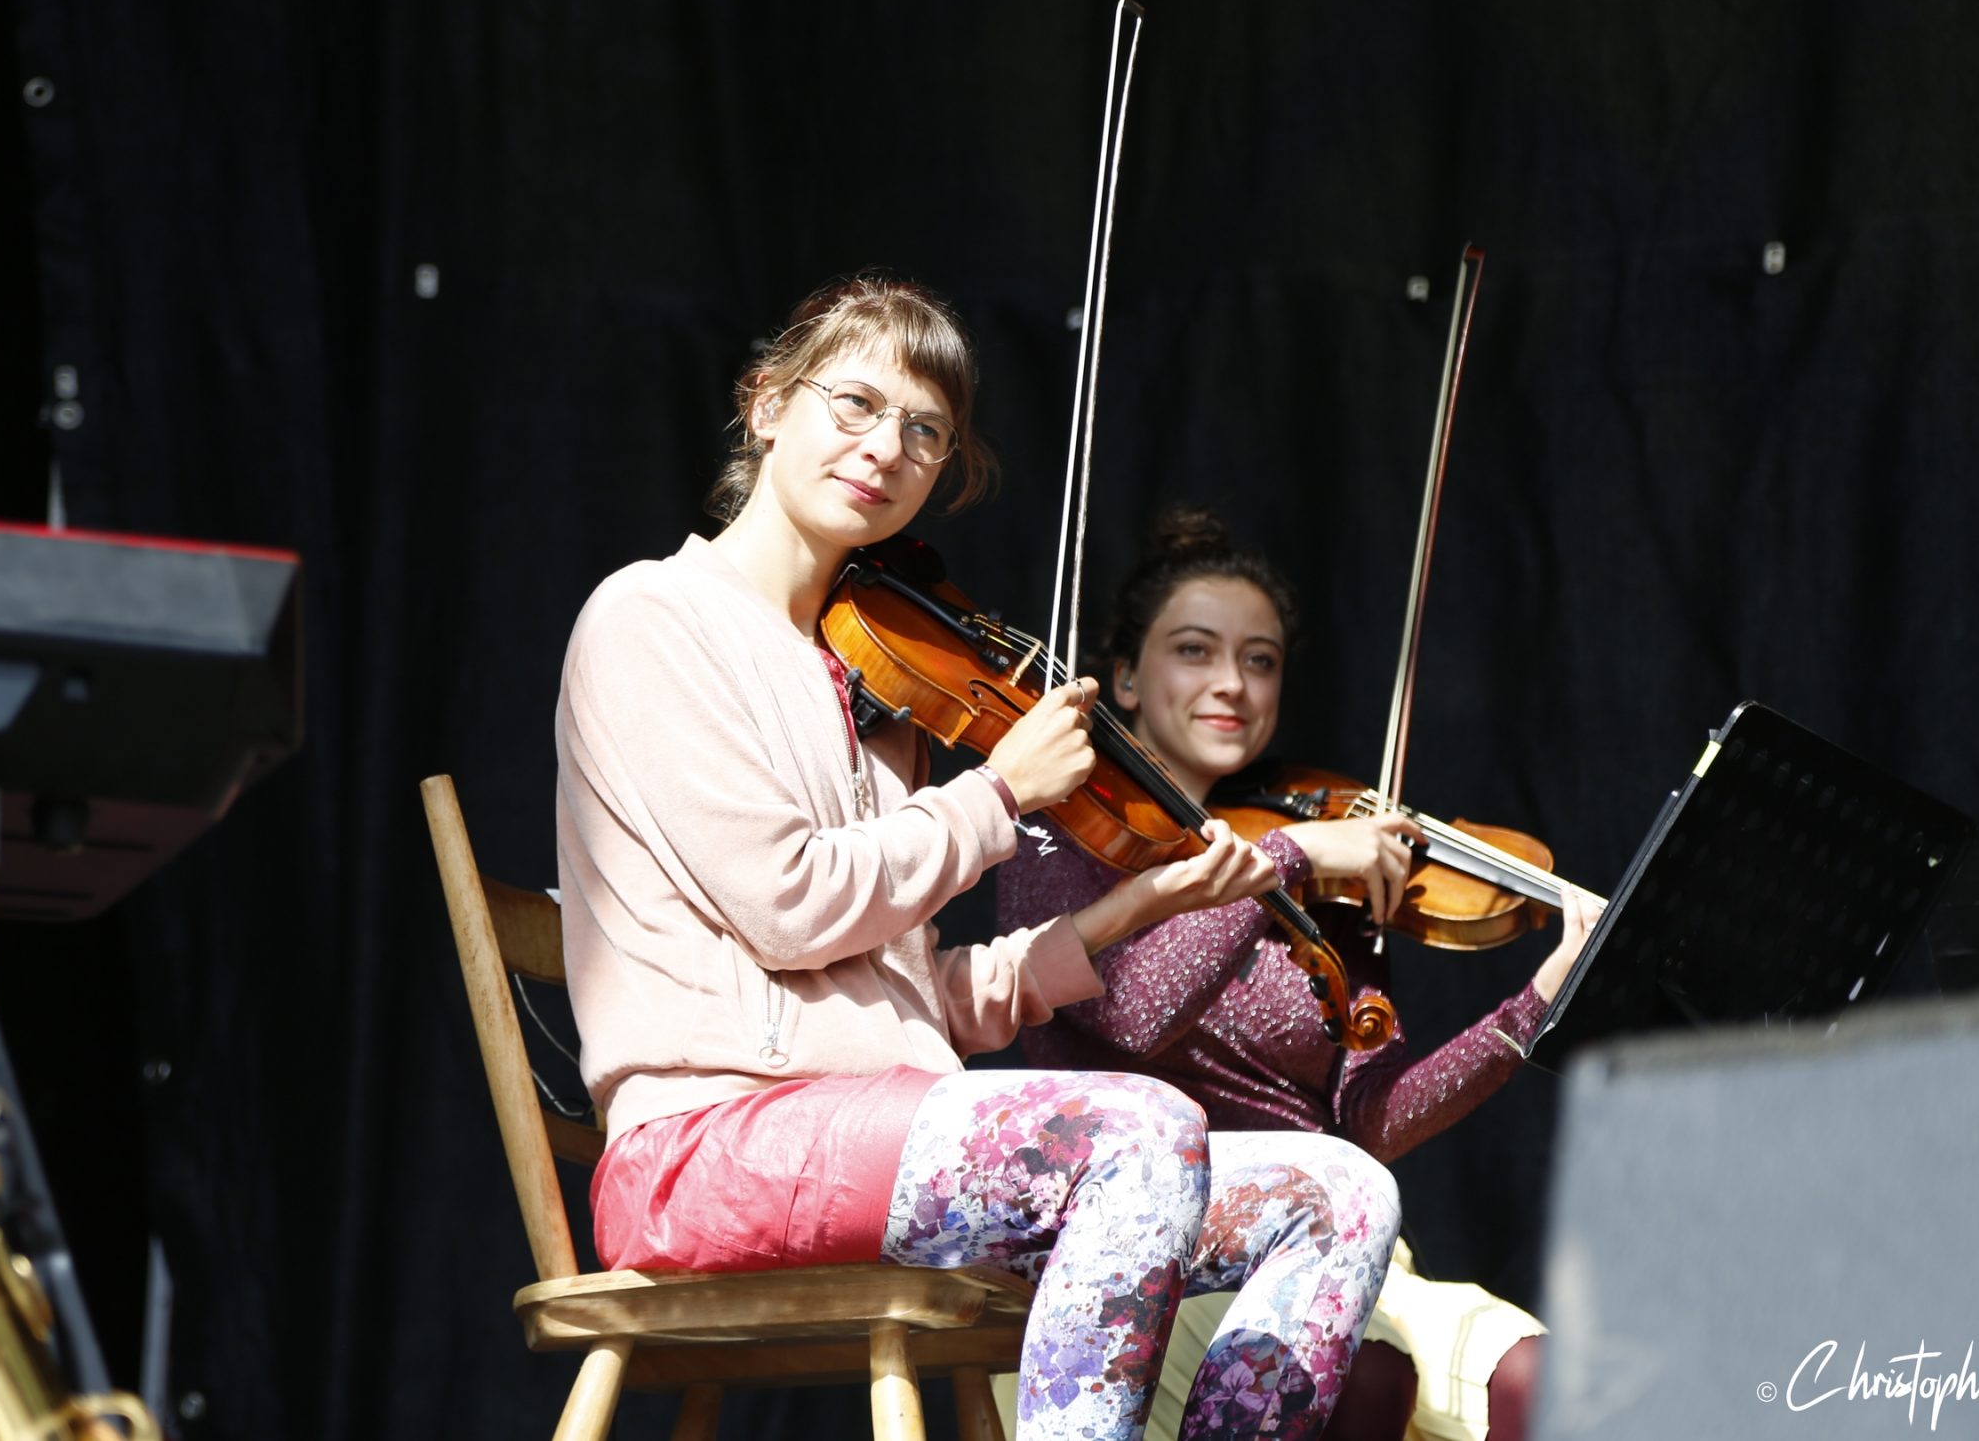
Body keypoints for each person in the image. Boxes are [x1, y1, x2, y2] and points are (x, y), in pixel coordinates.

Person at [557, 273, 1412, 1438]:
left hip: (882, 1126)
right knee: (1137, 1130)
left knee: (1342, 1191)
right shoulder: (653, 618)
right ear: (766, 405)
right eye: (855, 405)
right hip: (711, 1148)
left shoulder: (870, 683)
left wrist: (1132, 909)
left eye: (925, 432)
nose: (886, 448)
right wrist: (1000, 791)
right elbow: (789, 907)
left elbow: (909, 1000)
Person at [996, 509, 1601, 1441]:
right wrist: (1291, 858)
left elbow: (1370, 1122)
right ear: (1125, 678)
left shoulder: (1332, 871)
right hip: (1145, 1258)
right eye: (1194, 650)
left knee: (1543, 1380)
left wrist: (1534, 1004)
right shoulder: (1064, 830)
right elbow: (1130, 1013)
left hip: (1336, 1237)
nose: (1232, 683)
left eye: (1261, 660)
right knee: (1362, 1379)